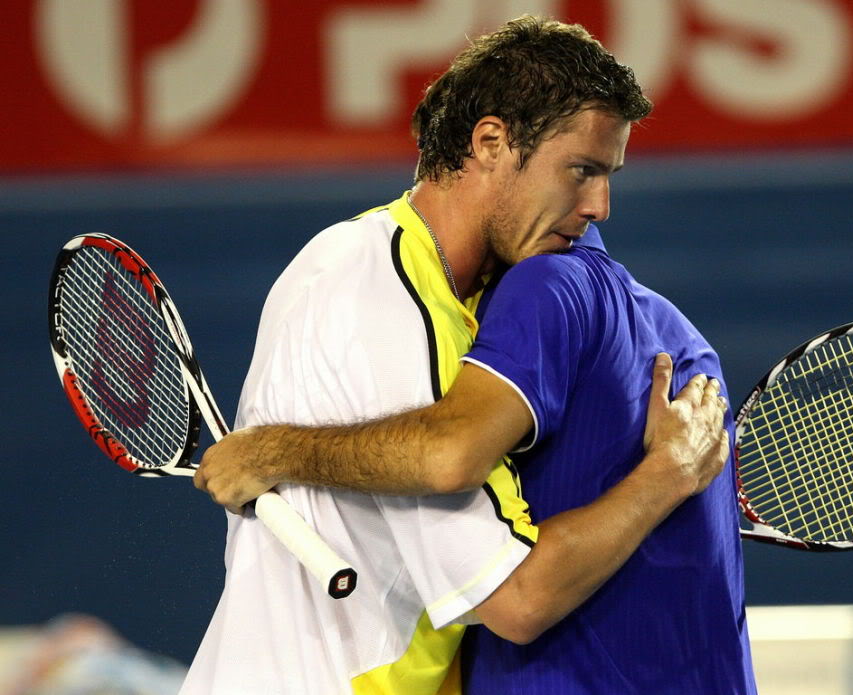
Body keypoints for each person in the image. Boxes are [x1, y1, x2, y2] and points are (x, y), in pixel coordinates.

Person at [181, 16, 732, 695]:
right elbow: (513, 587)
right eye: (581, 170)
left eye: (608, 175)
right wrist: (671, 471)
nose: (600, 205)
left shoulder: (471, 311)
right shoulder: (370, 287)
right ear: (491, 142)